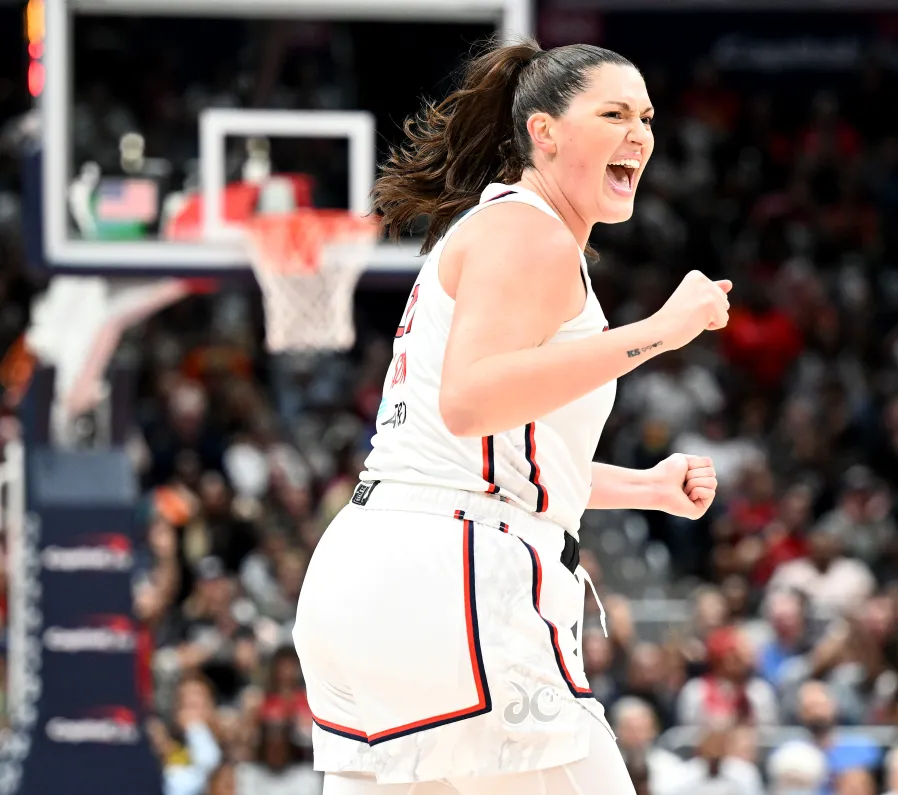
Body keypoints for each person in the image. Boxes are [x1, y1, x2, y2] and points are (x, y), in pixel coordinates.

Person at [292, 37, 732, 795]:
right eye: (615, 113)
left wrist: (644, 487)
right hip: (452, 575)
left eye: (648, 118)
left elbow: (493, 449)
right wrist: (666, 328)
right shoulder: (531, 231)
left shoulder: (503, 229)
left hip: (375, 573)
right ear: (545, 132)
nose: (640, 134)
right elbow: (471, 401)